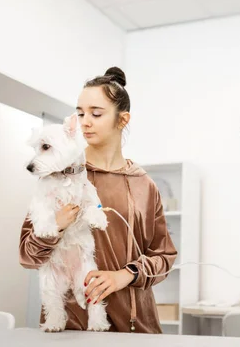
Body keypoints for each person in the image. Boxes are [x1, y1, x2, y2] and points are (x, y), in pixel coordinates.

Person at [19, 67, 177, 333]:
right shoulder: (58, 175)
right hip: (74, 328)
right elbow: (27, 255)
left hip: (136, 326)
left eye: (96, 113)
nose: (84, 122)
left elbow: (164, 255)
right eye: (80, 113)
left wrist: (125, 275)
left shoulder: (144, 185)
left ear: (122, 119)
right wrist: (55, 227)